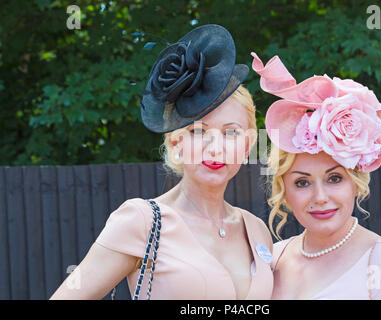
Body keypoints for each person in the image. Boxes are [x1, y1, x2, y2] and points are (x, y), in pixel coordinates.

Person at [50, 25, 274, 300]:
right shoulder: (141, 222)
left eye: (230, 133)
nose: (216, 148)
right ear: (176, 142)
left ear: (248, 144)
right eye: (198, 132)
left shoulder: (257, 231)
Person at [251, 52, 381, 300]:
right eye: (302, 182)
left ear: (355, 183)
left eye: (334, 178)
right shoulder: (272, 262)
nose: (320, 197)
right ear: (285, 191)